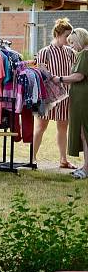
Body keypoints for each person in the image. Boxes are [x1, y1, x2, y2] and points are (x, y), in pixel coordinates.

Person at [33, 18, 76, 168]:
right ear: (58, 34)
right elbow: (40, 70)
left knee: (63, 127)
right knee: (40, 127)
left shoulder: (71, 52)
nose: (69, 39)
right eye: (67, 36)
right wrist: (52, 79)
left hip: (66, 95)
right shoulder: (45, 51)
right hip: (48, 96)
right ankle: (32, 158)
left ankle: (63, 160)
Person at [54, 28, 88, 179]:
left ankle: (86, 169)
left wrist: (58, 79)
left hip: (83, 100)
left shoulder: (84, 54)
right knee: (83, 133)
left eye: (73, 43)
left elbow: (79, 76)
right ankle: (86, 165)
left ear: (80, 40)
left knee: (85, 133)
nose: (72, 47)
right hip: (80, 98)